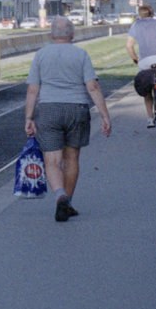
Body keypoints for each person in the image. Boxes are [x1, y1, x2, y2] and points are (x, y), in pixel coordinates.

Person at [24, 16, 112, 222]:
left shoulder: (41, 55)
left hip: (48, 110)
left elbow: (32, 89)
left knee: (52, 161)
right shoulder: (81, 54)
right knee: (72, 157)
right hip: (77, 109)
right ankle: (68, 203)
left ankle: (60, 195)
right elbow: (93, 87)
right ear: (72, 34)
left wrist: (29, 117)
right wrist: (105, 115)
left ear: (51, 34)